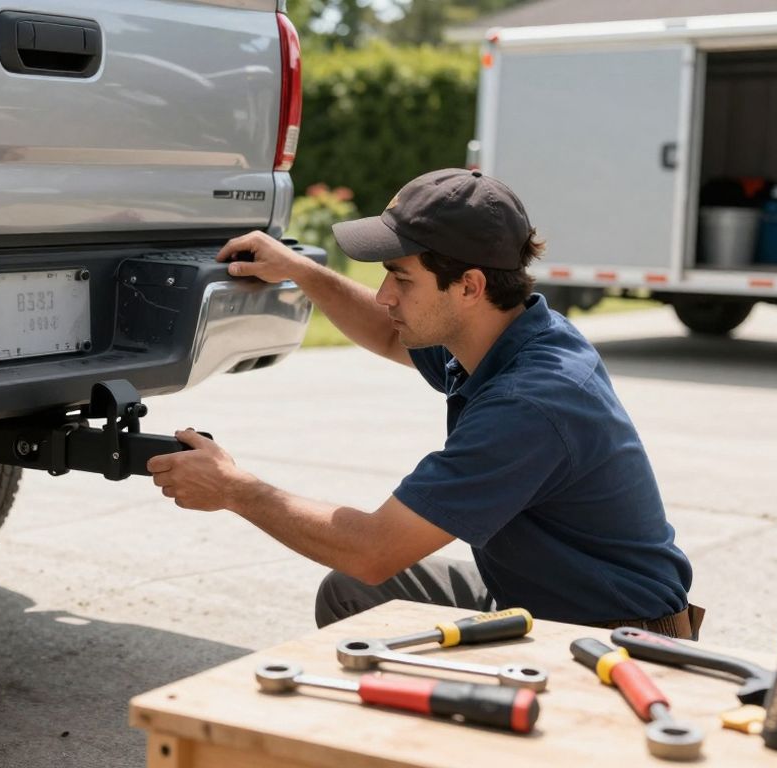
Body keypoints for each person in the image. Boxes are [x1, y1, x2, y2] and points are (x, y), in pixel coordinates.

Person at [147, 168, 702, 639]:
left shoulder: (531, 402)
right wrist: (300, 271)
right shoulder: (508, 332)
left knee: (363, 573)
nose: (386, 295)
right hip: (543, 598)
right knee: (356, 595)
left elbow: (373, 548)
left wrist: (233, 489)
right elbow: (391, 335)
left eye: (400, 278)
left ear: (469, 286)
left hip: (610, 639)